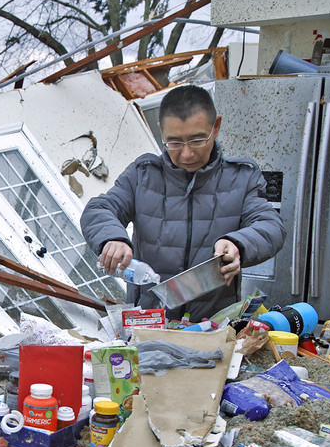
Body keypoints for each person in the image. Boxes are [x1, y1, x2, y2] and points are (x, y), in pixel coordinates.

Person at [80, 85, 286, 320]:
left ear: (216, 127)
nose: (187, 154)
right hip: (149, 323)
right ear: (161, 132)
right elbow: (99, 209)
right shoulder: (143, 175)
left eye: (197, 140)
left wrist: (238, 243)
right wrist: (113, 238)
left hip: (213, 327)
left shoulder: (242, 177)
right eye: (174, 142)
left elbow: (271, 225)